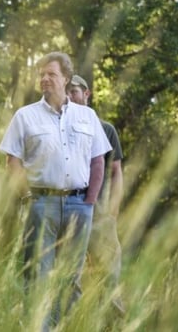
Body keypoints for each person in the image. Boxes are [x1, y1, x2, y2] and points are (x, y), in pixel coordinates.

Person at [0, 52, 111, 330]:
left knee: (71, 277)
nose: (45, 79)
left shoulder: (88, 116)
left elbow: (98, 160)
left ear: (66, 79)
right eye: (42, 74)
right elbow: (12, 162)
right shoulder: (25, 116)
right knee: (39, 273)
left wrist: (89, 202)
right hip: (40, 204)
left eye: (51, 74)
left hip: (79, 206)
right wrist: (27, 198)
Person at [67, 75, 125, 314]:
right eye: (66, 91)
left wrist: (113, 211)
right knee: (71, 275)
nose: (70, 96)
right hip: (69, 212)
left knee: (109, 273)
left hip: (100, 214)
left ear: (86, 93)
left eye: (75, 91)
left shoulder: (106, 129)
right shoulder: (62, 127)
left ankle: (111, 320)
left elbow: (116, 172)